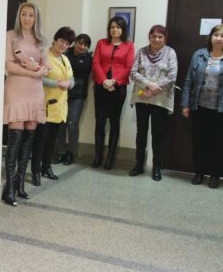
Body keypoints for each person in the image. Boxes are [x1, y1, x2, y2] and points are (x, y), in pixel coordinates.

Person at [181, 23, 223, 189]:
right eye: (216, 35)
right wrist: (185, 103)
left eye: (222, 36)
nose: (218, 38)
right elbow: (189, 80)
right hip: (199, 107)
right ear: (210, 37)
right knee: (199, 141)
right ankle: (199, 172)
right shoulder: (199, 54)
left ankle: (215, 175)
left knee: (220, 143)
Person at [3, 2, 48, 206]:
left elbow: (46, 66)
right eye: (23, 14)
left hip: (35, 91)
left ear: (36, 18)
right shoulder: (11, 36)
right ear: (19, 16)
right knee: (15, 137)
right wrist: (33, 71)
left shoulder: (41, 40)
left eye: (31, 15)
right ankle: (9, 188)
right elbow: (9, 66)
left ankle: (20, 183)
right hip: (16, 89)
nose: (27, 18)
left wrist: (40, 70)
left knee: (29, 138)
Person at [129, 25, 178, 181]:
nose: (157, 39)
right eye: (154, 36)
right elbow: (133, 72)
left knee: (158, 135)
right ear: (149, 37)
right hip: (142, 97)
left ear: (165, 38)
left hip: (160, 99)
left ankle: (157, 167)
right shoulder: (141, 52)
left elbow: (172, 75)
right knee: (141, 133)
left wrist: (154, 88)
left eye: (160, 37)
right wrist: (148, 85)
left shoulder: (170, 53)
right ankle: (139, 164)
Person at [31, 27, 74, 185]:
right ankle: (35, 171)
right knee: (40, 141)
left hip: (60, 107)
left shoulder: (65, 59)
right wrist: (57, 83)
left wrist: (70, 84)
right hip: (46, 104)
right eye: (61, 41)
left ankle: (46, 167)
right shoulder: (44, 56)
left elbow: (71, 78)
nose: (63, 45)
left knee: (52, 141)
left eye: (67, 43)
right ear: (55, 39)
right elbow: (38, 78)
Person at [91, 16, 135, 170]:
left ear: (123, 29)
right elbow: (96, 63)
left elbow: (129, 67)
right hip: (101, 86)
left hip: (118, 88)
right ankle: (98, 156)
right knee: (100, 121)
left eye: (118, 27)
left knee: (114, 122)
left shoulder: (129, 45)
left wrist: (114, 81)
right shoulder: (101, 43)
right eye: (112, 27)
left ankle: (110, 157)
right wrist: (104, 80)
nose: (115, 30)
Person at [55, 33, 92, 166]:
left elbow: (81, 70)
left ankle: (71, 152)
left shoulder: (88, 58)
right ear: (75, 42)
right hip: (61, 92)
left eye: (85, 45)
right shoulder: (65, 53)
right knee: (60, 123)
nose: (82, 47)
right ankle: (60, 152)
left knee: (72, 124)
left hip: (78, 95)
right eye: (80, 43)